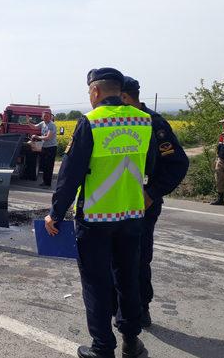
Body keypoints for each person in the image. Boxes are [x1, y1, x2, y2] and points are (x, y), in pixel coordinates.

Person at [44, 68, 154, 358]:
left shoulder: (91, 122)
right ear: (119, 90)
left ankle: (103, 347)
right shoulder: (144, 121)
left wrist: (55, 213)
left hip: (95, 217)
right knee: (128, 278)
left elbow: (71, 173)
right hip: (131, 215)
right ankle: (132, 342)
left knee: (96, 281)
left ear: (95, 92)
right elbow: (151, 164)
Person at [120, 76, 189, 327]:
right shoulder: (113, 123)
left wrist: (152, 194)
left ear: (125, 97)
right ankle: (120, 307)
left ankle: (140, 308)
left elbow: (177, 164)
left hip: (143, 203)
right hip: (114, 203)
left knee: (138, 256)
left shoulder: (154, 124)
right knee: (113, 256)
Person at [27, 111, 58, 187]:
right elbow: (34, 127)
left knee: (49, 166)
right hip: (44, 147)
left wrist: (37, 137)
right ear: (42, 117)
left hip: (51, 148)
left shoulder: (51, 125)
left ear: (50, 117)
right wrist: (28, 122)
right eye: (44, 116)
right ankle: (45, 182)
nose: (46, 117)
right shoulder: (42, 123)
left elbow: (48, 137)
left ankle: (47, 184)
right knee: (44, 165)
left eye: (47, 116)